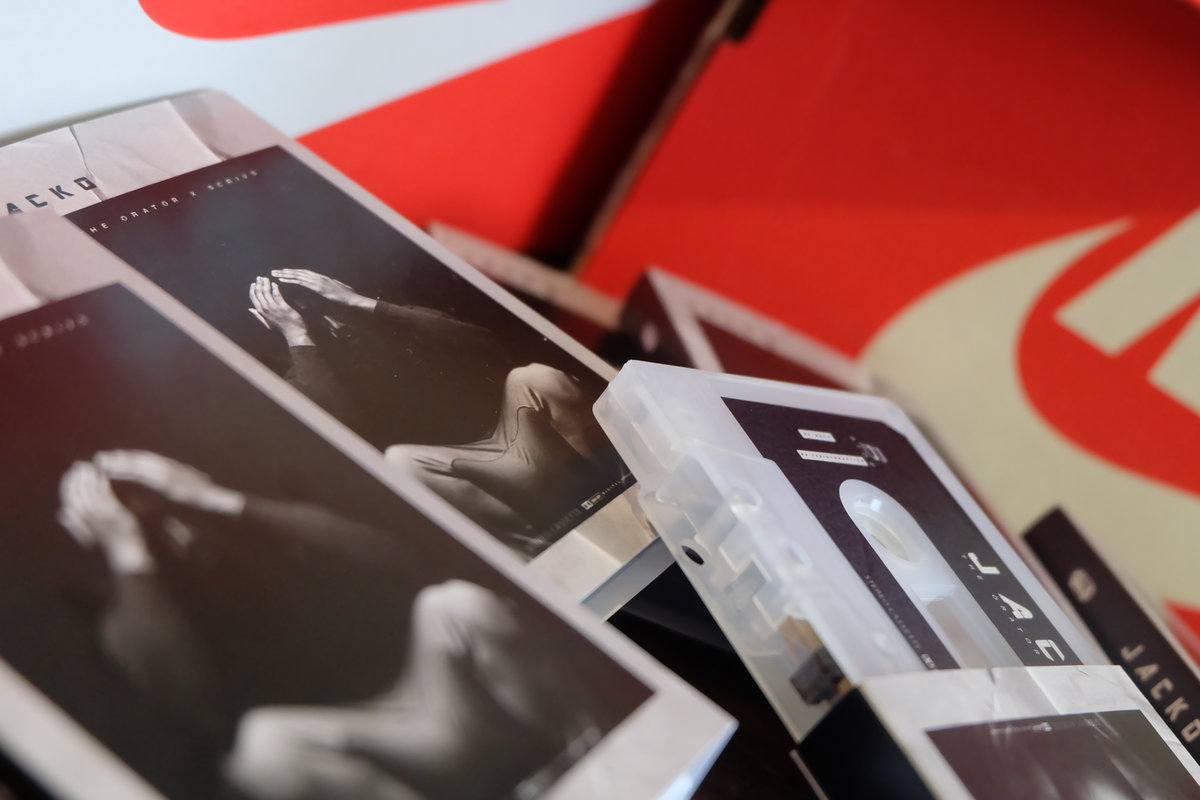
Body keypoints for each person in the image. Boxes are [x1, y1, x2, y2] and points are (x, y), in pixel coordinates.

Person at [57, 450, 600, 799]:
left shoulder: (257, 531)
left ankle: (595, 757)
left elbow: (392, 563)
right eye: (151, 530)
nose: (179, 535)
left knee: (453, 604)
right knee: (264, 745)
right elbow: (192, 702)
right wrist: (127, 550)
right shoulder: (137, 614)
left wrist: (216, 501)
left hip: (442, 699)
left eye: (170, 509)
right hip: (378, 749)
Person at [248, 269, 619, 553]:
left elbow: (479, 342)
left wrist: (359, 302)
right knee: (400, 461)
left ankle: (618, 487)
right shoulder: (303, 372)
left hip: (520, 436)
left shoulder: (383, 317)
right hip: (469, 469)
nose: (327, 321)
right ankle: (542, 548)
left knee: (535, 377)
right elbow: (337, 417)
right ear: (270, 322)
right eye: (300, 312)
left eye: (317, 301)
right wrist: (297, 335)